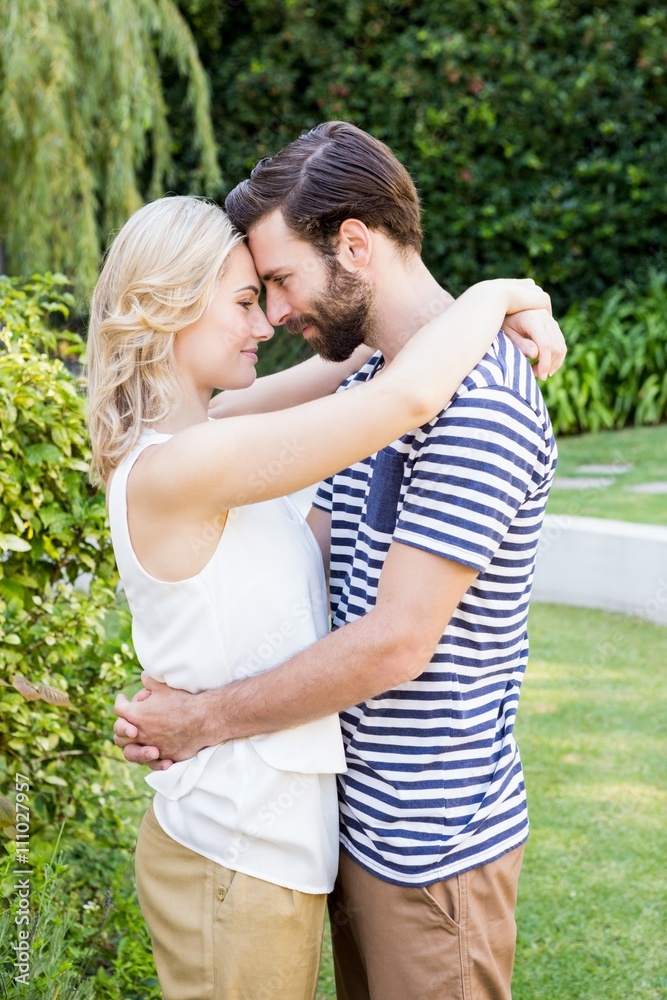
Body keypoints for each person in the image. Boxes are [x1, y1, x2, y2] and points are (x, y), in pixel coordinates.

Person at [88, 189, 558, 1000]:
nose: (266, 322)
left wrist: (508, 302)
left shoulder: (214, 429)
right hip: (233, 847)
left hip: (277, 846)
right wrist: (495, 294)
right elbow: (399, 398)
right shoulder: (184, 466)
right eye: (245, 299)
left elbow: (352, 357)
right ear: (166, 309)